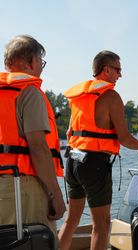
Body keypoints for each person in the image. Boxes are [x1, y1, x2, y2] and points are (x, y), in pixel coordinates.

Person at [58, 50, 138, 250]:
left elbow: (69, 133)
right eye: (118, 69)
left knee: (71, 220)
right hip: (94, 164)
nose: (120, 75)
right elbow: (124, 138)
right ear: (106, 69)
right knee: (101, 225)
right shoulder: (111, 96)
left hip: (73, 162)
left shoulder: (79, 97)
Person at [0, 35, 66, 248]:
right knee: (38, 242)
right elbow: (38, 148)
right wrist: (55, 193)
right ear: (32, 62)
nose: (41, 68)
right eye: (41, 62)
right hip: (23, 186)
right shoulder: (29, 93)